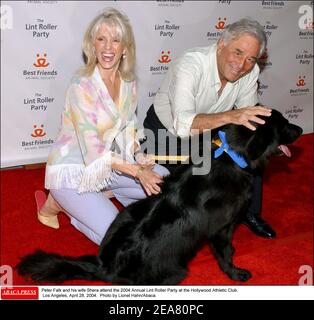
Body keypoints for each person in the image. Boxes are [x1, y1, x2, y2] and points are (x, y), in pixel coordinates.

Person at [36, 8, 169, 245]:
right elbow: (94, 152)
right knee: (118, 239)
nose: (108, 48)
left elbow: (128, 128)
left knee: (164, 181)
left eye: (116, 40)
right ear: (92, 45)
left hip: (109, 167)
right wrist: (138, 172)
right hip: (73, 171)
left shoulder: (129, 82)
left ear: (125, 48)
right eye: (101, 39)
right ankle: (63, 202)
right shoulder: (82, 85)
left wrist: (139, 156)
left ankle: (103, 194)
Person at [143, 18, 276, 238]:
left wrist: (268, 139)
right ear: (221, 44)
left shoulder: (249, 73)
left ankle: (250, 213)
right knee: (182, 195)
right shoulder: (191, 65)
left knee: (252, 150)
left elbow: (247, 120)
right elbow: (184, 125)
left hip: (209, 131)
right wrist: (232, 116)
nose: (242, 65)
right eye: (238, 52)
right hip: (167, 133)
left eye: (251, 59)